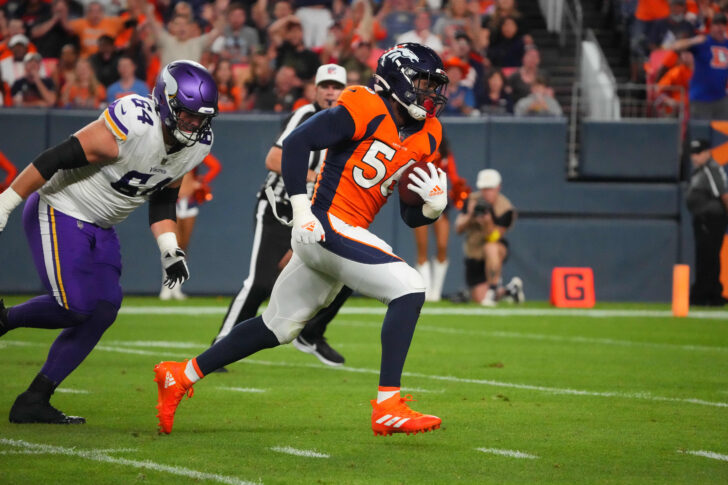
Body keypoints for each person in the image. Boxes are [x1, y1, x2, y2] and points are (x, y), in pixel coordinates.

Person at [153, 43, 450, 437]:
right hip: (324, 222)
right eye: (423, 81)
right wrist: (302, 210)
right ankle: (387, 405)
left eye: (433, 84)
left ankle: (181, 375)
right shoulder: (364, 104)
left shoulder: (429, 133)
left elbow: (410, 214)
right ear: (398, 78)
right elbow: (296, 145)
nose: (429, 92)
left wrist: (432, 208)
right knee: (410, 288)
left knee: (277, 326)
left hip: (342, 231)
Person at [0, 60, 218, 424]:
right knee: (76, 305)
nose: (194, 125)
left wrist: (170, 249)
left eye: (201, 119)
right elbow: (56, 157)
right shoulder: (134, 123)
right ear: (165, 102)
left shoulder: (197, 146)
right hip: (61, 208)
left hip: (103, 226)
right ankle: (5, 319)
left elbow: (163, 200)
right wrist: (7, 200)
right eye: (188, 115)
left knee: (103, 307)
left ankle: (35, 399)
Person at [210, 63, 350, 367]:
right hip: (279, 207)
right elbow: (273, 158)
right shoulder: (305, 115)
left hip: (311, 215)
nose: (330, 91)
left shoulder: (348, 126)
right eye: (325, 85)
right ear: (315, 89)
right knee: (260, 282)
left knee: (348, 272)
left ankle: (310, 334)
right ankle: (220, 346)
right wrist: (314, 177)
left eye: (336, 87)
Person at [454, 168, 524, 306]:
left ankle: (492, 290)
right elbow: (458, 229)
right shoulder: (471, 201)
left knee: (490, 248)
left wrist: (488, 222)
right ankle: (510, 290)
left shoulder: (506, 209)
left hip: (494, 249)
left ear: (498, 187)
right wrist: (470, 216)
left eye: (490, 189)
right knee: (479, 298)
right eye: (484, 189)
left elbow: (494, 237)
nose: (487, 193)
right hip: (474, 252)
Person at [159, 153, 222, 301]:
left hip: (190, 202)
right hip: (173, 200)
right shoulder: (171, 151)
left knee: (184, 245)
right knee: (171, 243)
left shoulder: (196, 151)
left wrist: (201, 181)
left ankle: (177, 287)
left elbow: (215, 166)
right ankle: (166, 286)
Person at [414, 136, 468, 302]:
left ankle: (435, 292)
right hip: (420, 201)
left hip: (441, 202)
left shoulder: (446, 155)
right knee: (422, 248)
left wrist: (461, 190)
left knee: (442, 246)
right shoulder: (419, 151)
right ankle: (426, 290)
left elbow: (454, 176)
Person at [685, 139, 728, 306]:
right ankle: (709, 293)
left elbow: (723, 194)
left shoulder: (711, 169)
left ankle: (705, 294)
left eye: (698, 153)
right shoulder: (701, 169)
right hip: (705, 220)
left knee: (708, 257)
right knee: (706, 257)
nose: (694, 157)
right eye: (692, 153)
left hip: (710, 220)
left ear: (707, 152)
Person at [668, 12, 728, 120]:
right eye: (717, 24)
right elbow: (675, 46)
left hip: (721, 99)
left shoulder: (727, 44)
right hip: (701, 99)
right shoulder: (703, 42)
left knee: (722, 135)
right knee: (700, 135)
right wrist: (693, 40)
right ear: (711, 27)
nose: (720, 28)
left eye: (723, 25)